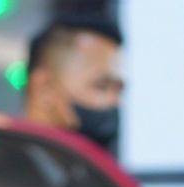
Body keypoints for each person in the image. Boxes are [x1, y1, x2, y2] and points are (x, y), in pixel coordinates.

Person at [23, 15, 125, 153]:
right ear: (44, 88)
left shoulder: (83, 171)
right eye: (102, 86)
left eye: (119, 90)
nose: (115, 101)